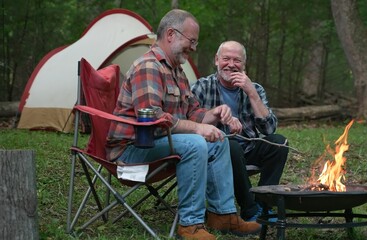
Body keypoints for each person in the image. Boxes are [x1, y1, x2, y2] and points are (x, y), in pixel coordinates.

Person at [105, 10, 260, 240]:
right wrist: (198, 129)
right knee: (196, 142)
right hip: (132, 150)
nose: (194, 48)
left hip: (160, 144)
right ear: (171, 34)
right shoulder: (148, 66)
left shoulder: (177, 71)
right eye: (192, 41)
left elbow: (192, 111)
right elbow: (153, 120)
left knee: (218, 141)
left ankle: (222, 215)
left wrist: (213, 114)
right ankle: (190, 225)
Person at [191, 40, 289, 221]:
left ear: (244, 64)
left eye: (237, 60)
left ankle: (264, 204)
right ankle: (249, 208)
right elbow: (190, 122)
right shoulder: (202, 87)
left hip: (249, 148)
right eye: (226, 59)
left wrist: (251, 93)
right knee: (231, 145)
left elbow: (268, 129)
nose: (231, 64)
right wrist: (219, 115)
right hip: (217, 152)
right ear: (216, 60)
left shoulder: (255, 88)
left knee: (279, 142)